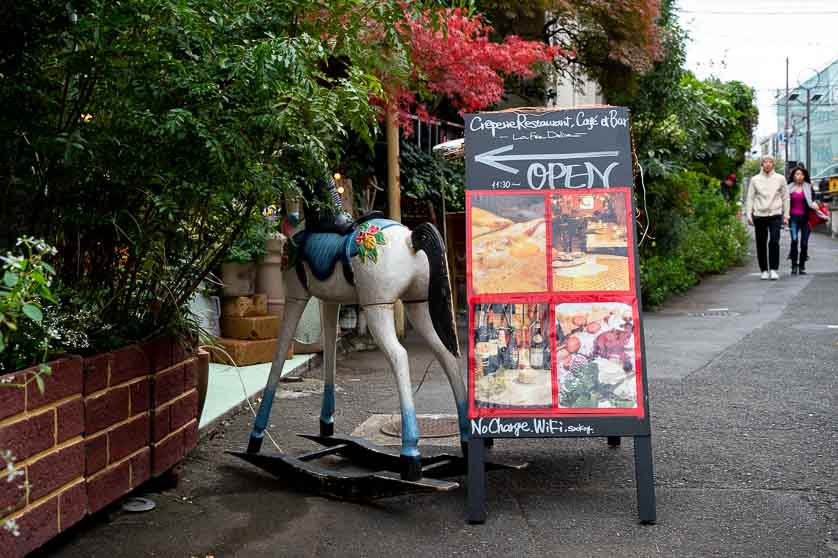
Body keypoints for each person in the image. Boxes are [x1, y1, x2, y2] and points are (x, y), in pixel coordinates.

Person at [746, 155, 788, 280]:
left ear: (773, 164)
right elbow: (750, 197)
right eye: (765, 162)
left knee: (774, 241)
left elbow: (786, 197)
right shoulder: (755, 180)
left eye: (770, 162)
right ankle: (764, 270)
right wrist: (749, 214)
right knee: (761, 243)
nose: (768, 164)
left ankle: (774, 269)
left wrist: (786, 215)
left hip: (775, 213)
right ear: (762, 164)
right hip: (759, 214)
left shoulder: (780, 178)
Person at [786, 165, 826, 275]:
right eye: (797, 174)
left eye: (801, 174)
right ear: (793, 176)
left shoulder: (808, 187)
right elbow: (784, 202)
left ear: (804, 176)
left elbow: (813, 200)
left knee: (804, 243)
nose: (799, 176)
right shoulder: (788, 188)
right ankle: (794, 265)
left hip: (805, 219)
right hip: (793, 218)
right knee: (794, 240)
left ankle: (802, 265)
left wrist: (815, 204)